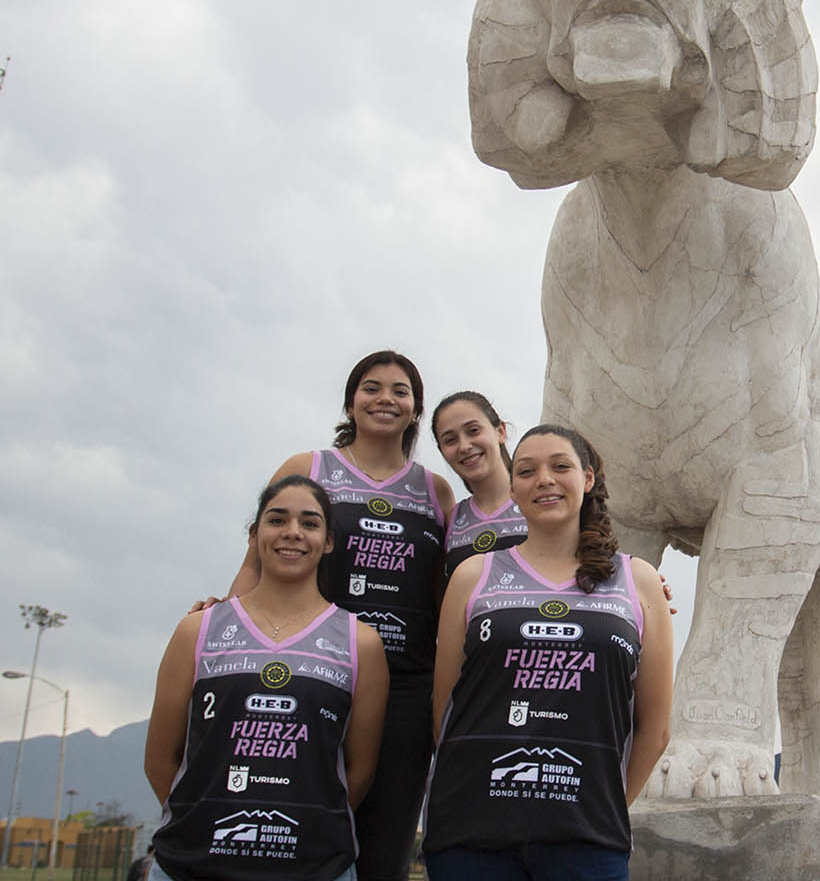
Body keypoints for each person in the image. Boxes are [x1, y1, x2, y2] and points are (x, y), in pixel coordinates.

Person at [230, 350, 454, 881]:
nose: (385, 399)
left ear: (416, 409)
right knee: (294, 820)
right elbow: (252, 564)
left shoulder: (435, 491)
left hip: (405, 687)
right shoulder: (306, 469)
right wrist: (225, 624)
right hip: (315, 675)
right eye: (371, 387)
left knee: (385, 839)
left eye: (400, 391)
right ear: (350, 401)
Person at [423, 424, 674, 881]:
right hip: (469, 836)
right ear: (513, 488)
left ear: (589, 478)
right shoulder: (473, 576)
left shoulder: (638, 581)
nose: (544, 479)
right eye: (526, 471)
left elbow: (655, 730)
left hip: (588, 840)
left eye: (561, 466)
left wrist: (603, 806)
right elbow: (446, 712)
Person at [147, 476, 389, 881]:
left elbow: (358, 770)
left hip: (314, 868)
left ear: (328, 541)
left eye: (310, 523)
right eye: (278, 520)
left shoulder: (360, 642)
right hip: (190, 865)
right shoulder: (198, 631)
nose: (293, 533)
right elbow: (160, 758)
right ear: (255, 534)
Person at [433, 390, 528, 578]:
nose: (465, 446)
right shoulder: (451, 519)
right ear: (442, 451)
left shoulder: (538, 500)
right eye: (450, 440)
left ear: (500, 431)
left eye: (473, 431)